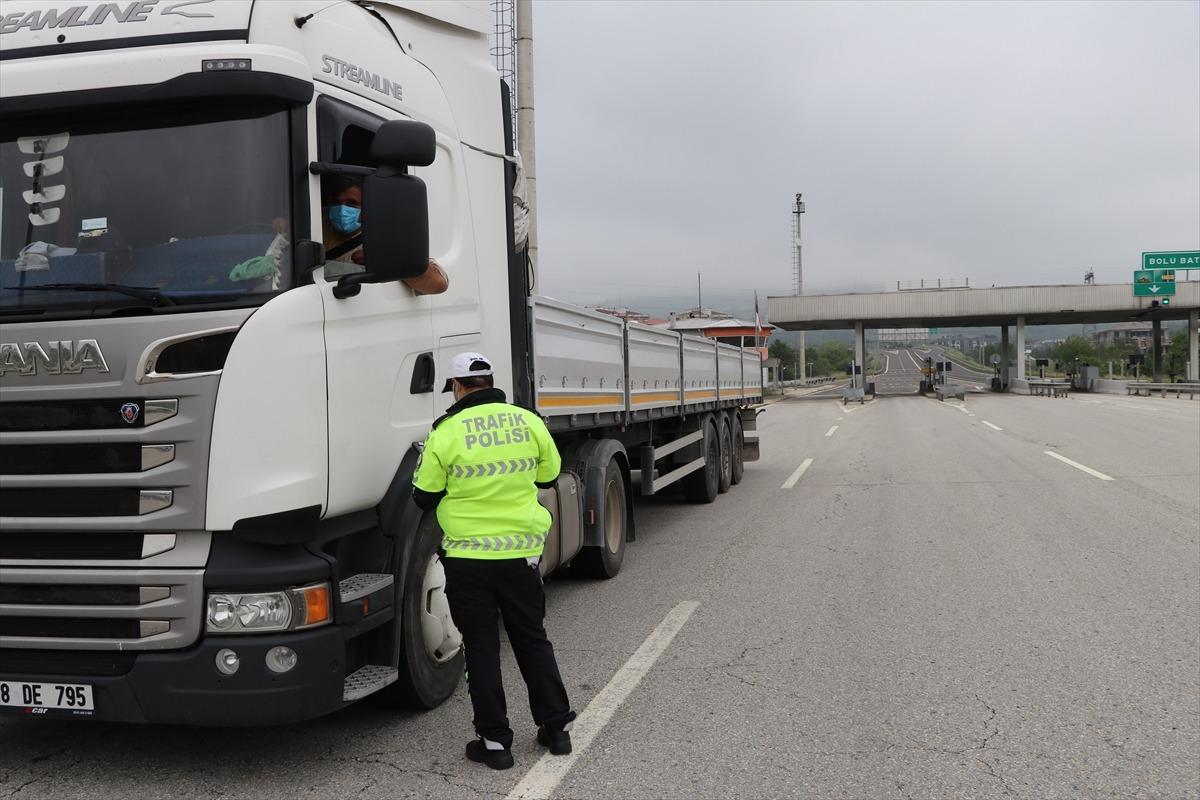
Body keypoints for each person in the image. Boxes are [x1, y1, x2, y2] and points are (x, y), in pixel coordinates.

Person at [412, 352, 576, 771]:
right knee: (532, 639)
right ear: (489, 381)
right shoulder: (528, 421)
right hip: (520, 554)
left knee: (482, 648)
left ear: (457, 386)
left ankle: (495, 743)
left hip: (468, 558)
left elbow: (423, 497)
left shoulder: (445, 432)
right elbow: (548, 476)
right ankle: (556, 730)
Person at [321, 173, 449, 295]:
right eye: (336, 203)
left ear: (369, 205)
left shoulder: (388, 231)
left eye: (352, 203)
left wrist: (386, 259)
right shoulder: (317, 221)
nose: (343, 210)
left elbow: (439, 283)